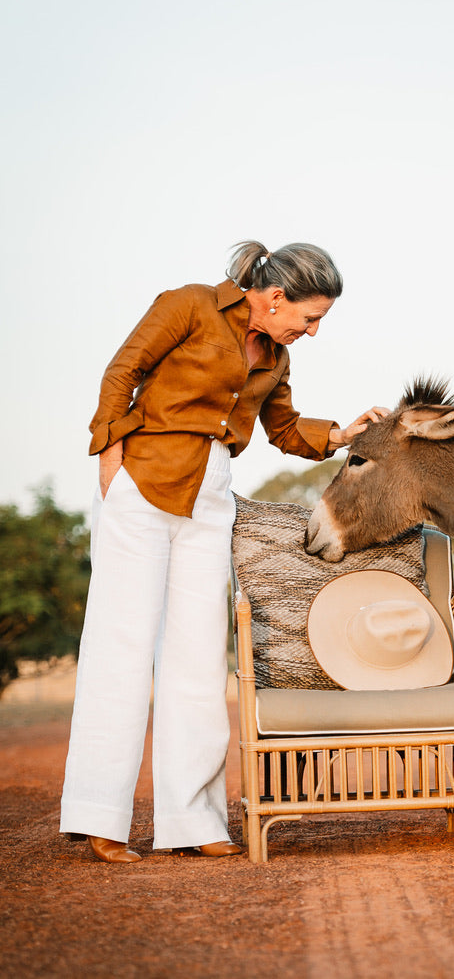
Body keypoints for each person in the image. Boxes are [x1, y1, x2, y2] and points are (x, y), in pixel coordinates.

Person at [60, 240, 386, 863]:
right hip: (144, 481)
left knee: (198, 658)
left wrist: (342, 435)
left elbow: (284, 431)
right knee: (121, 647)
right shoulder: (189, 306)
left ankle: (193, 820)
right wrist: (110, 456)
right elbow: (121, 371)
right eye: (309, 317)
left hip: (211, 498)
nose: (311, 331)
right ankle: (100, 817)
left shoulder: (278, 356)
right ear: (275, 297)